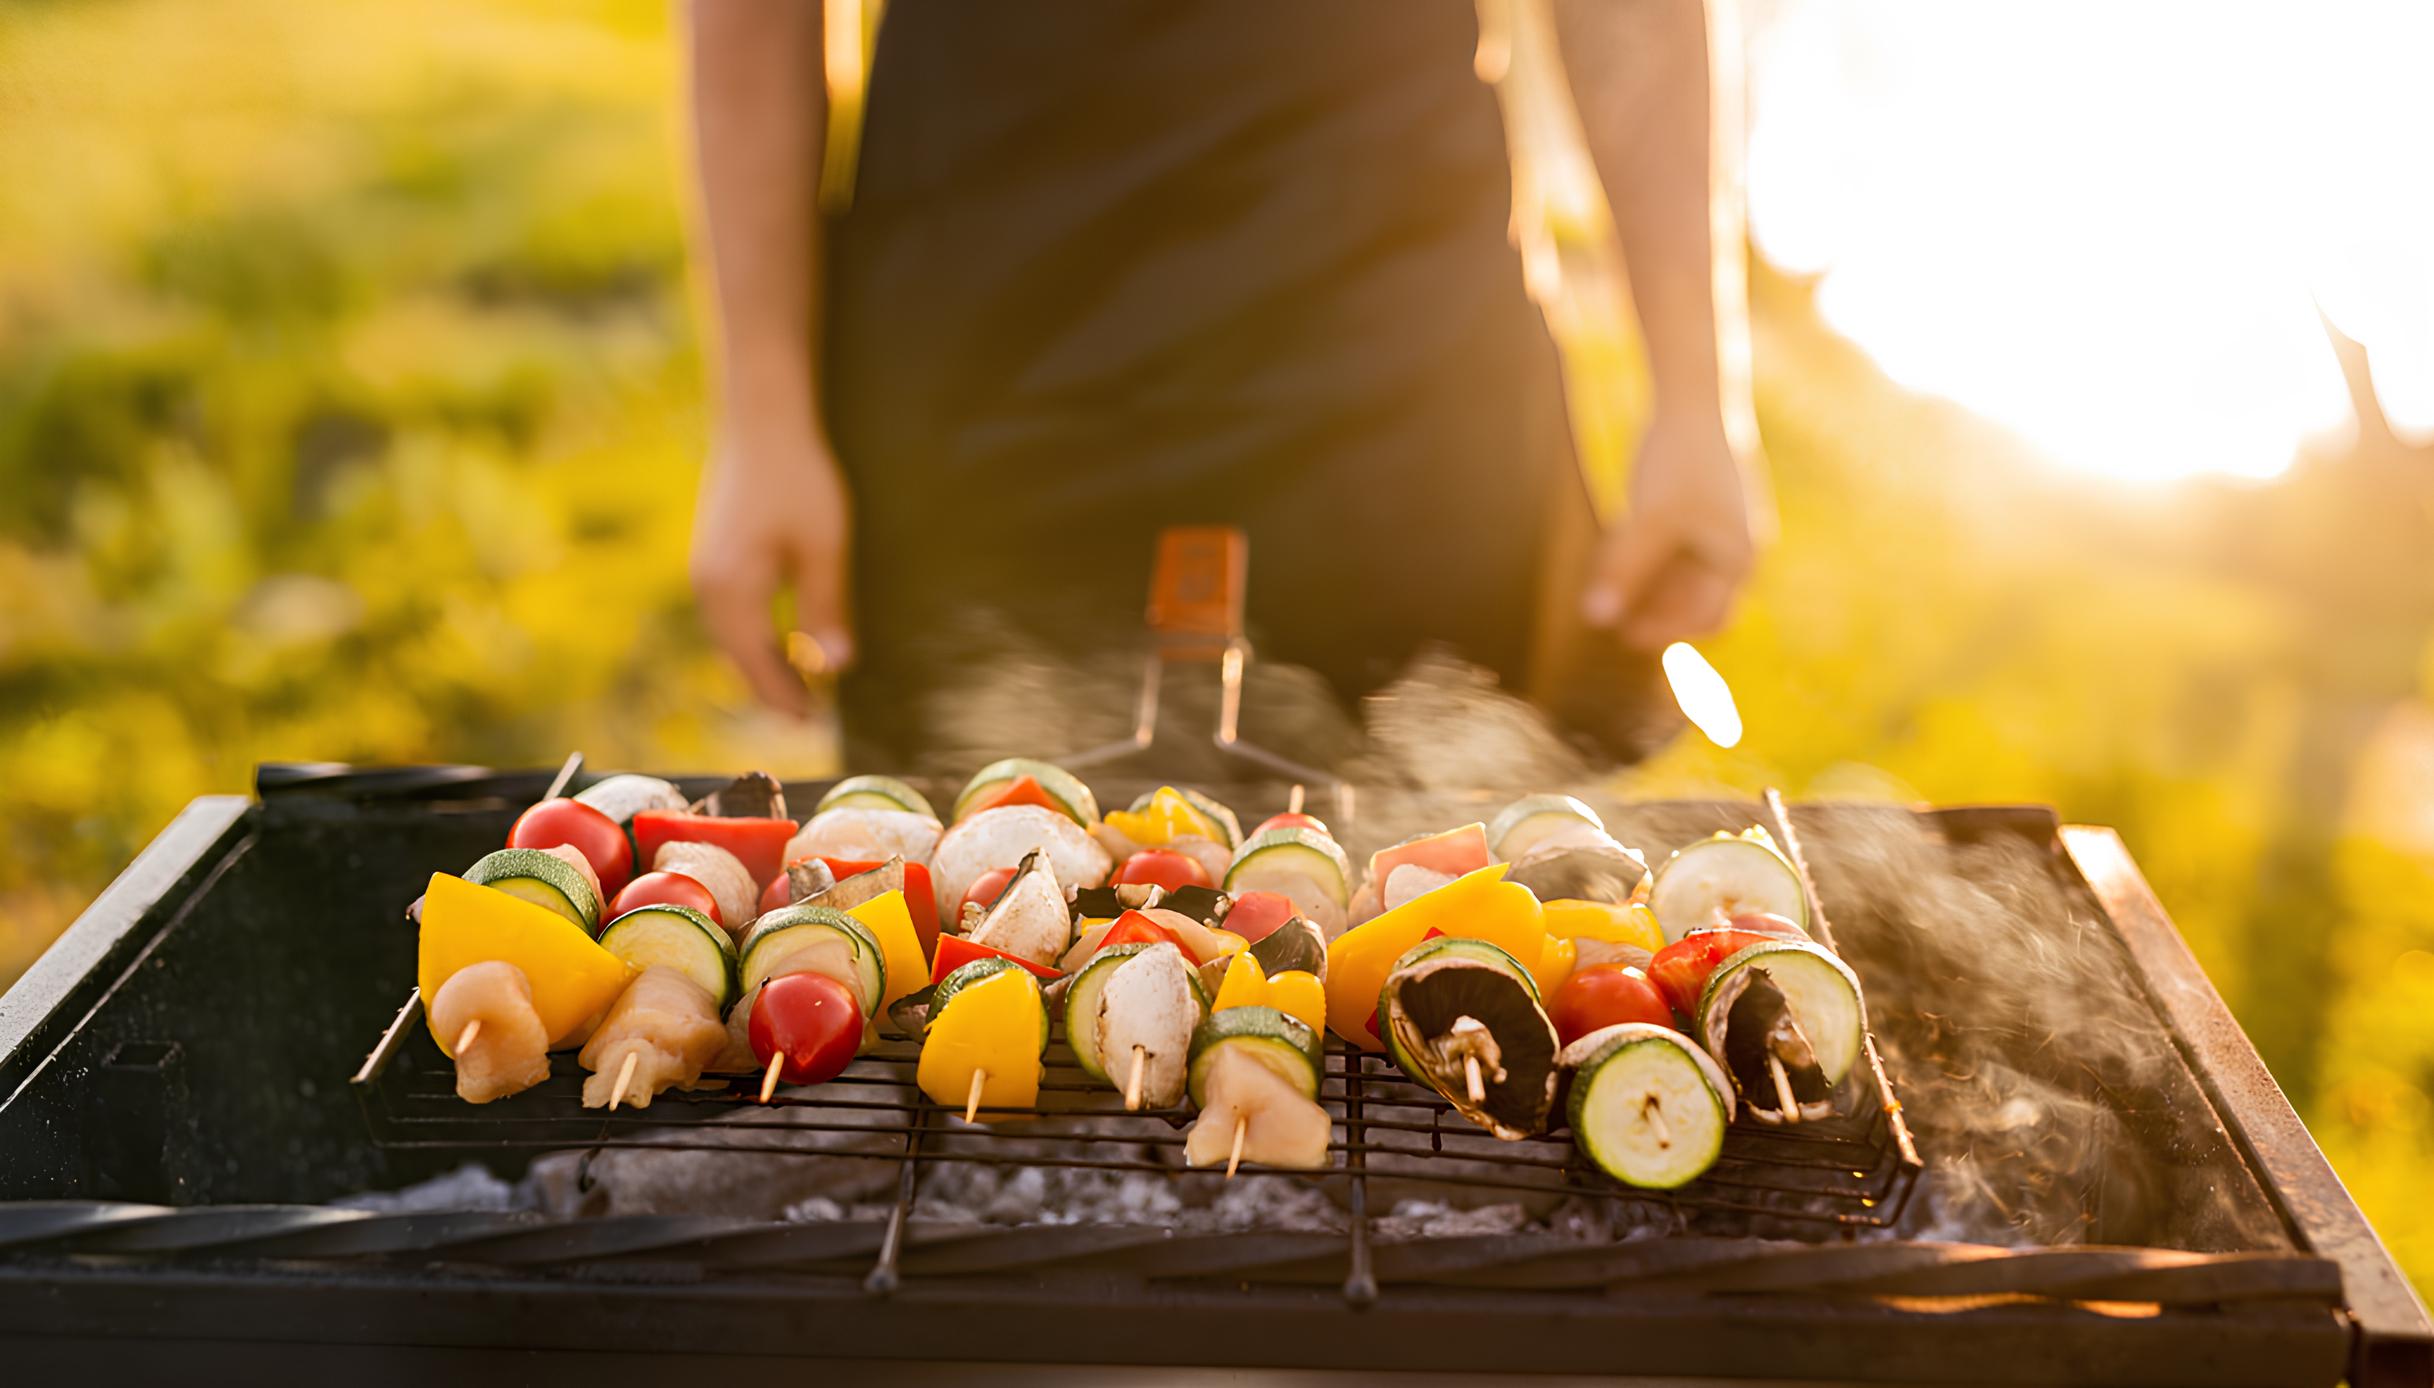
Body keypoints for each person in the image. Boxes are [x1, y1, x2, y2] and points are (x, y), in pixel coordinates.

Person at [684, 0, 1763, 767]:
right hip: (977, 355)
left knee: (1464, 912)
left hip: (1408, 365)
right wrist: (764, 412)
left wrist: (1694, 391)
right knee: (971, 933)